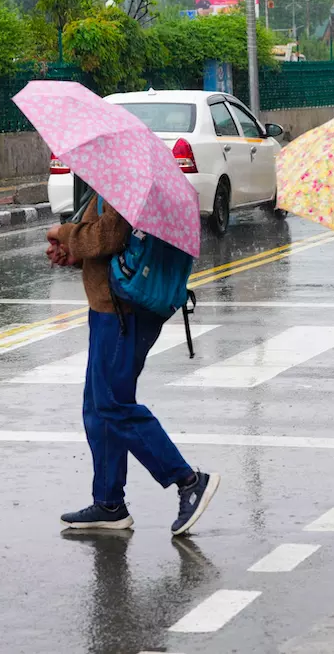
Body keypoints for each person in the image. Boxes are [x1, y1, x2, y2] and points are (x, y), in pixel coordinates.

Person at [47, 193, 219, 535]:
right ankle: (109, 503)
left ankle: (188, 480)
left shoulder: (128, 185)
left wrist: (64, 233)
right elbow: (111, 244)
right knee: (98, 407)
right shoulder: (115, 182)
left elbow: (110, 235)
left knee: (112, 403)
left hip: (122, 313)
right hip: (109, 309)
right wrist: (73, 253)